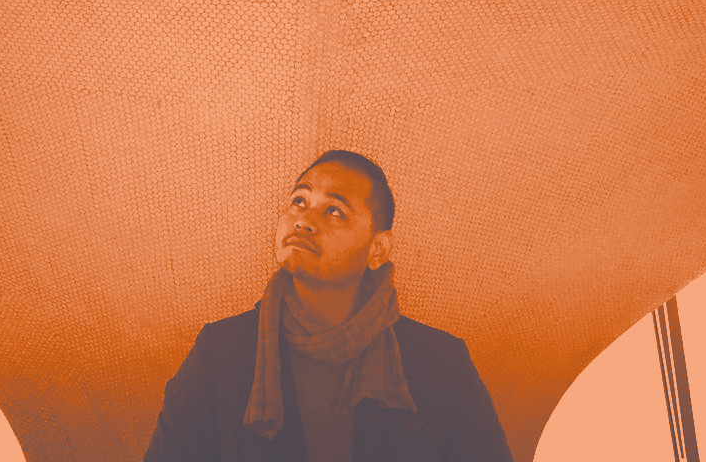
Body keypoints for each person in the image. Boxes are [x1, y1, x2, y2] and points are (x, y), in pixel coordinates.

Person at [144, 149, 513, 461]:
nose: (304, 219)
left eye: (334, 211)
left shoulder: (441, 362)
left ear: (378, 249)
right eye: (299, 201)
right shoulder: (220, 353)